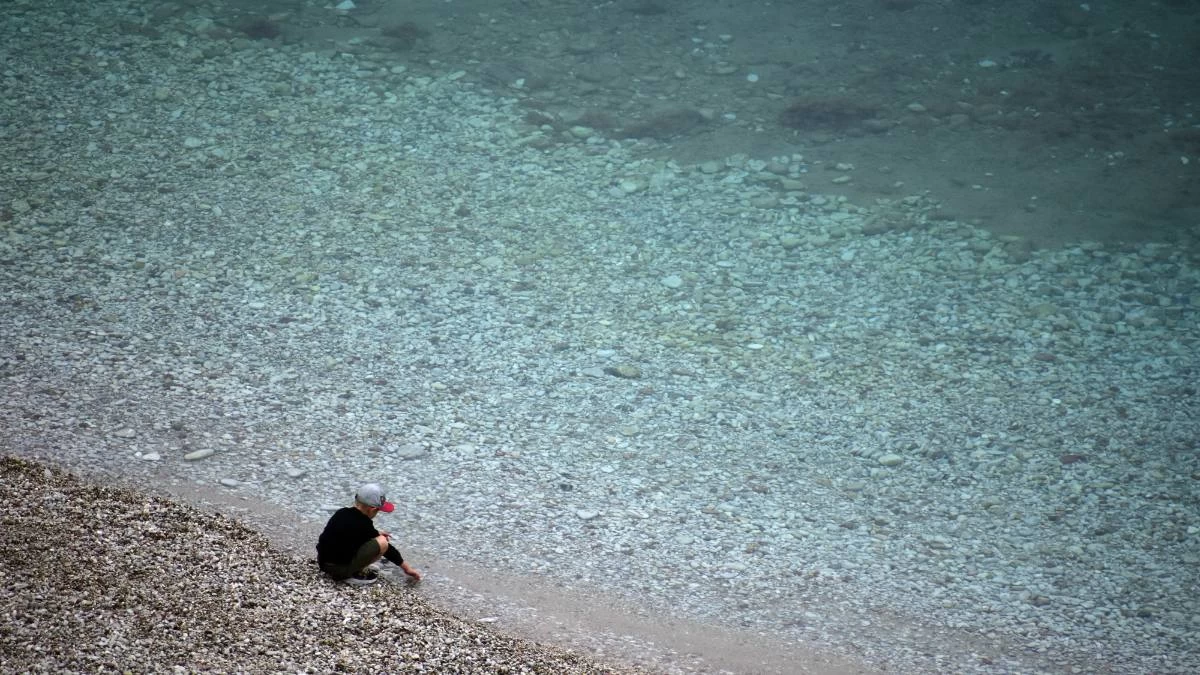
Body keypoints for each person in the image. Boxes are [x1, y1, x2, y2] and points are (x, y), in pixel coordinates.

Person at [316, 482, 422, 586]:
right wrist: (407, 568)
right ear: (372, 509)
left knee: (372, 538)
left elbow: (355, 532)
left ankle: (347, 568)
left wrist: (376, 533)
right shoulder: (364, 524)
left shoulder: (342, 512)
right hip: (338, 570)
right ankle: (351, 574)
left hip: (323, 562)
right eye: (378, 511)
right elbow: (388, 549)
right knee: (383, 542)